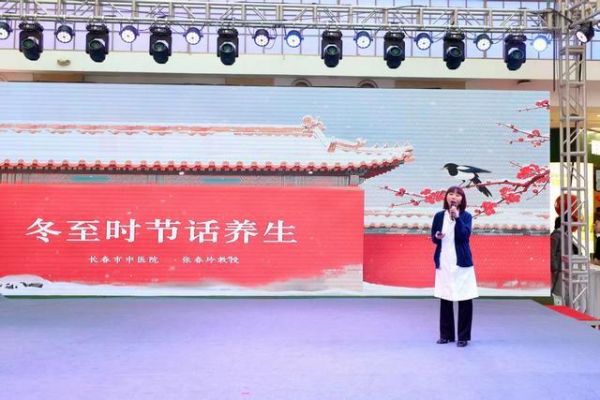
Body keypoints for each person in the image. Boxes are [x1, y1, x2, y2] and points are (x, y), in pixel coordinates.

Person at [430, 186, 478, 348]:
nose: (454, 197)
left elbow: (464, 236)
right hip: (444, 261)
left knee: (464, 298)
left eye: (458, 195)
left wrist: (457, 218)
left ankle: (463, 336)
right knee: (445, 297)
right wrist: (437, 236)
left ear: (462, 199)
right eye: (451, 194)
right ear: (446, 197)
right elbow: (434, 237)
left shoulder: (466, 216)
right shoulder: (439, 216)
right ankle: (446, 335)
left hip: (461, 262)